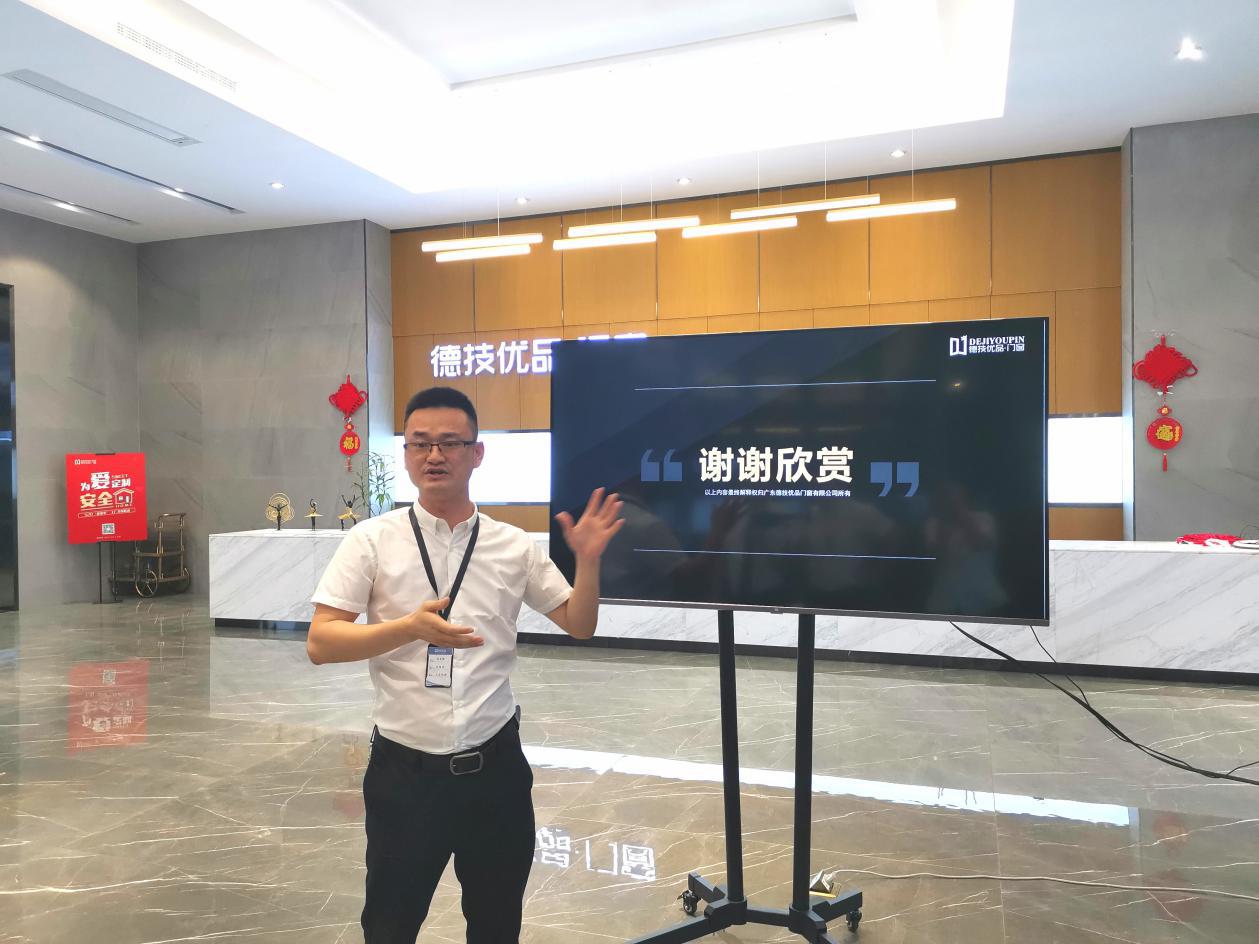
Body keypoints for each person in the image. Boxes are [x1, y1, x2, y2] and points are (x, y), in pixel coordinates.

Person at [307, 386, 624, 943]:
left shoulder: (513, 546)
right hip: (404, 776)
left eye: (450, 443)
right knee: (389, 926)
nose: (435, 455)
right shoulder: (371, 541)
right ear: (406, 455)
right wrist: (407, 628)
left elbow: (579, 622)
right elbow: (321, 641)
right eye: (420, 443)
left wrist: (589, 562)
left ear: (476, 454)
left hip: (495, 773)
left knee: (496, 925)